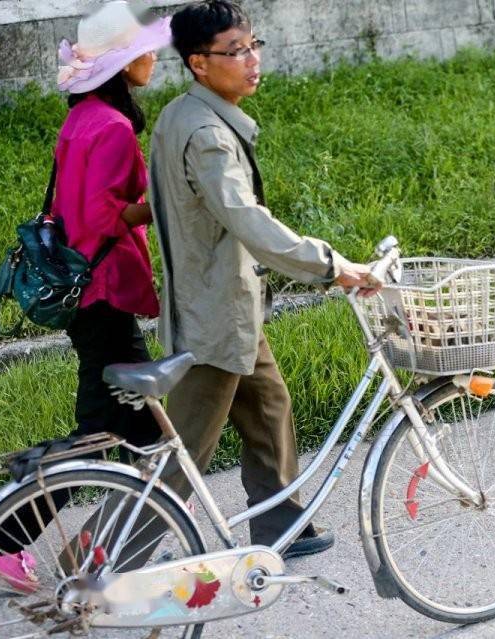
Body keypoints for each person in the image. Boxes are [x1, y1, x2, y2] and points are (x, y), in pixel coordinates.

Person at [143, 0, 380, 558]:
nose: (251, 60)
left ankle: (280, 528)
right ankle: (90, 568)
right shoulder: (207, 134)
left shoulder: (181, 113)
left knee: (269, 406)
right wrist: (331, 266)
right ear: (200, 63)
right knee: (178, 465)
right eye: (235, 51)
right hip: (214, 318)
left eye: (254, 46)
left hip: (228, 304)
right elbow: (246, 219)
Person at [0, 1, 171, 592]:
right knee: (122, 433)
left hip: (84, 295)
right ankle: (6, 538)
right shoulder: (112, 128)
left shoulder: (83, 116)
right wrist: (165, 199)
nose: (154, 56)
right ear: (119, 63)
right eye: (145, 48)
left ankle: (101, 535)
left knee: (131, 430)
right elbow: (98, 219)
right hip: (104, 292)